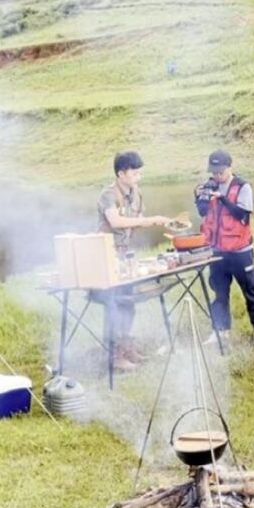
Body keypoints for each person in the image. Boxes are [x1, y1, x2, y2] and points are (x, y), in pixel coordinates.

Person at [97, 151, 174, 371]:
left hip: (126, 255)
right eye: (134, 172)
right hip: (106, 254)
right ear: (121, 173)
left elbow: (138, 221)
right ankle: (114, 355)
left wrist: (156, 221)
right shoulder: (108, 195)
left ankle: (126, 346)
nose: (138, 176)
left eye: (140, 172)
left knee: (129, 302)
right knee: (113, 304)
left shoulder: (137, 193)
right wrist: (151, 221)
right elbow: (116, 220)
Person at [196, 150, 254, 347]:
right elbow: (202, 212)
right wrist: (200, 198)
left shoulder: (243, 187)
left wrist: (222, 198)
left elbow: (241, 215)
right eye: (214, 172)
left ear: (230, 167)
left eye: (220, 171)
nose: (217, 176)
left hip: (240, 251)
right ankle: (221, 330)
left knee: (251, 291)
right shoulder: (208, 186)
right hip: (217, 251)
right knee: (219, 293)